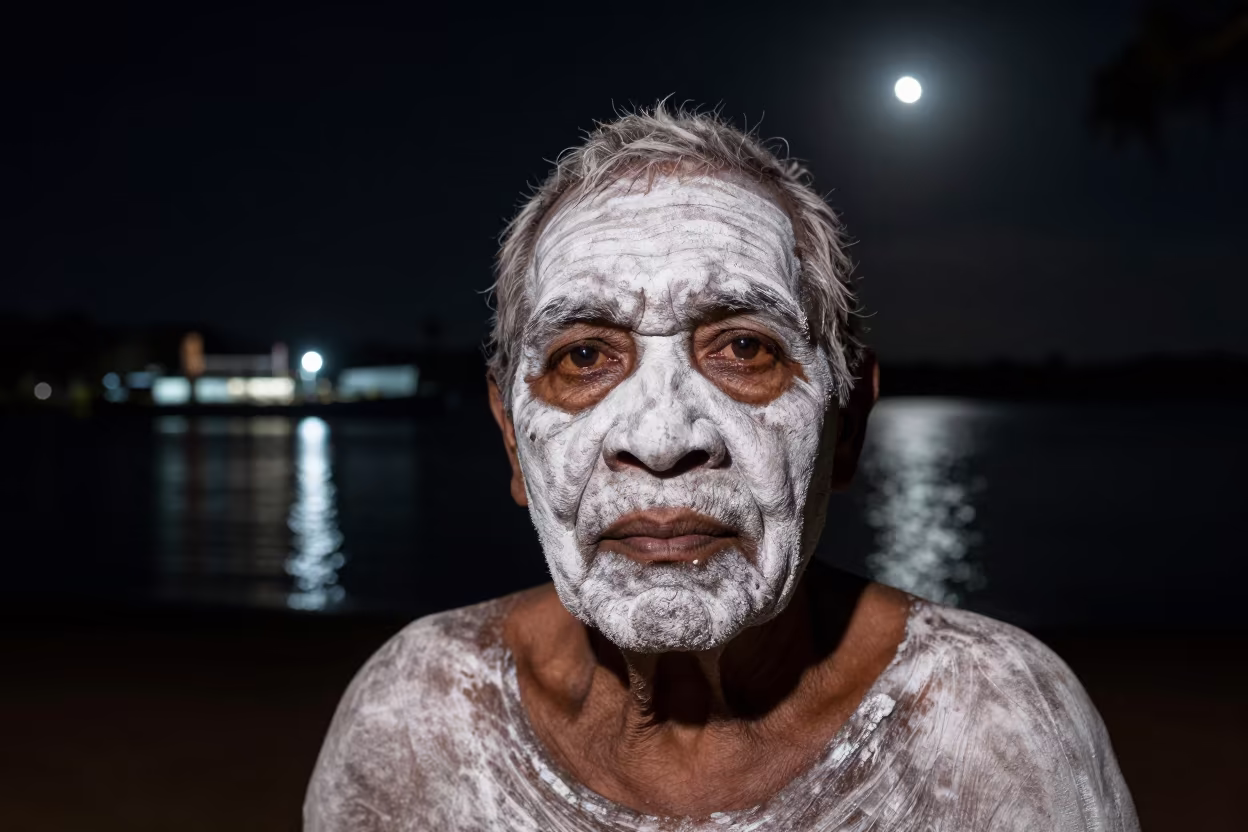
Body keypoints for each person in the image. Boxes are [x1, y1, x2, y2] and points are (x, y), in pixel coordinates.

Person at [304, 104, 1139, 831]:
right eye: (585, 355)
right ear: (514, 441)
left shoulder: (994, 726)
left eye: (744, 347)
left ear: (846, 425)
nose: (663, 439)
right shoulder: (416, 716)